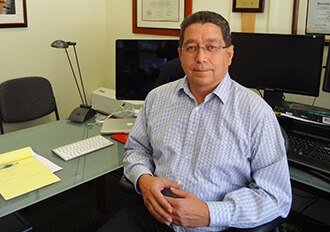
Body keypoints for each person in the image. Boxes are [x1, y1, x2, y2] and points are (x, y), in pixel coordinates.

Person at [98, 10, 292, 232]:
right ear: (180, 55)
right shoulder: (157, 98)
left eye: (211, 47)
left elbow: (277, 197)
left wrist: (210, 213)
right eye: (191, 48)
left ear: (229, 54)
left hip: (218, 226)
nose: (200, 58)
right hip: (155, 215)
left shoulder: (256, 113)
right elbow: (136, 150)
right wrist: (144, 180)